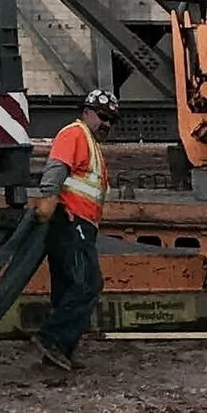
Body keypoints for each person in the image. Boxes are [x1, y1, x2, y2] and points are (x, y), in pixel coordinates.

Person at [29, 85, 117, 379]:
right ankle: (52, 338)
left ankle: (60, 351)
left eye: (111, 120)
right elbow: (57, 168)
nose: (106, 124)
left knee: (68, 287)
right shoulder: (75, 134)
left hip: (79, 225)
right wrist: (49, 199)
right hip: (71, 222)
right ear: (87, 111)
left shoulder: (90, 144)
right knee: (87, 284)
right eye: (103, 116)